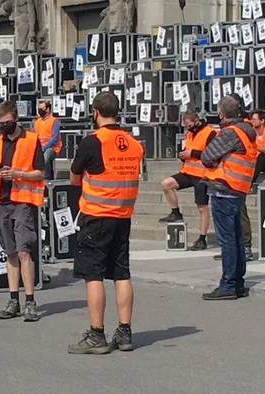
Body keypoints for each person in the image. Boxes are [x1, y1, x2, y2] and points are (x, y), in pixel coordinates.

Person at [66, 92, 144, 354]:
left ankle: (96, 333)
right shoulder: (134, 143)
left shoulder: (93, 142)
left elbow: (75, 177)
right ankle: (124, 331)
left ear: (95, 112)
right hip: (122, 216)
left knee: (93, 274)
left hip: (97, 215)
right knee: (121, 273)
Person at [0, 101, 45, 323]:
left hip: (23, 201)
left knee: (23, 252)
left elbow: (40, 173)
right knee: (10, 252)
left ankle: (30, 301)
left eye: (7, 123)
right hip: (2, 200)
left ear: (16, 118)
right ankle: (14, 300)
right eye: (0, 124)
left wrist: (19, 173)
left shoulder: (31, 140)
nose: (3, 128)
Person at [200, 96, 258, 301]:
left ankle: (228, 284)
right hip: (238, 189)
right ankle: (238, 283)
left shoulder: (229, 133)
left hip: (224, 188)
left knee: (228, 241)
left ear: (221, 114)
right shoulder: (247, 130)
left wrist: (213, 163)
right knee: (237, 239)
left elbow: (207, 156)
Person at [158, 110, 216, 251]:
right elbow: (187, 149)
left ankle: (202, 238)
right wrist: (183, 154)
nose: (187, 128)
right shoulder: (190, 133)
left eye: (189, 124)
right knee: (166, 184)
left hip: (202, 174)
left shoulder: (210, 132)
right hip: (188, 171)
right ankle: (175, 212)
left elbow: (212, 154)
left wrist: (192, 153)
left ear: (196, 121)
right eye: (185, 125)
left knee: (202, 207)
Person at [31, 100, 61, 180]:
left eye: (41, 108)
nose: (39, 110)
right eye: (39, 108)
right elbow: (33, 136)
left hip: (52, 147)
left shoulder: (54, 121)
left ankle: (45, 178)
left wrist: (43, 147)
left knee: (45, 158)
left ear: (47, 109)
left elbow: (54, 138)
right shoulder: (37, 122)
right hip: (40, 147)